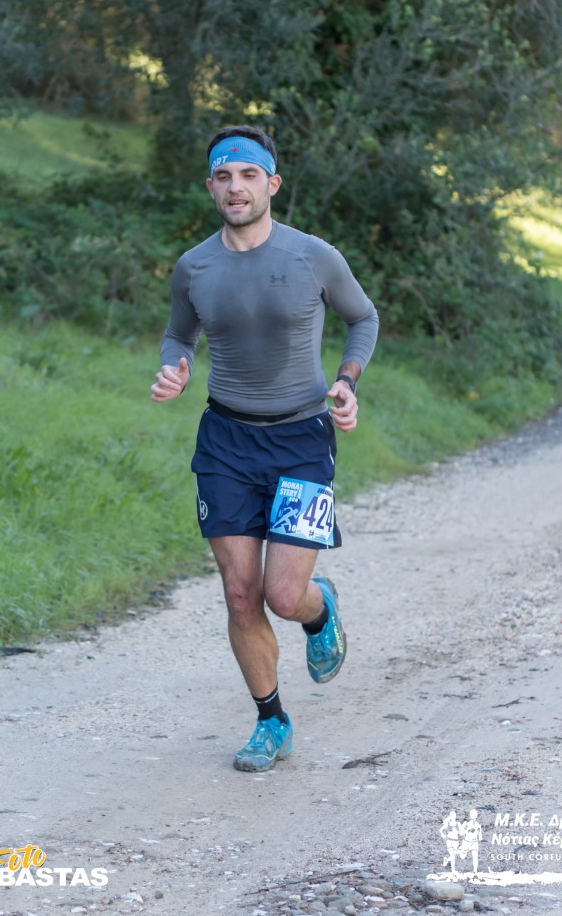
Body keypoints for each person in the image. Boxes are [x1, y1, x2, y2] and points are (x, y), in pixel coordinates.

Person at [151, 125, 379, 772]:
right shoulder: (194, 267)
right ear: (210, 187)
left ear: (271, 183)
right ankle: (270, 721)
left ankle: (319, 607)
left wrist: (346, 381)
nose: (236, 187)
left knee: (283, 595)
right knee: (239, 593)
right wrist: (175, 367)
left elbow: (362, 318)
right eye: (224, 176)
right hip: (225, 443)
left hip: (302, 439)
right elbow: (178, 335)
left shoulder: (313, 256)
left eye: (248, 175)